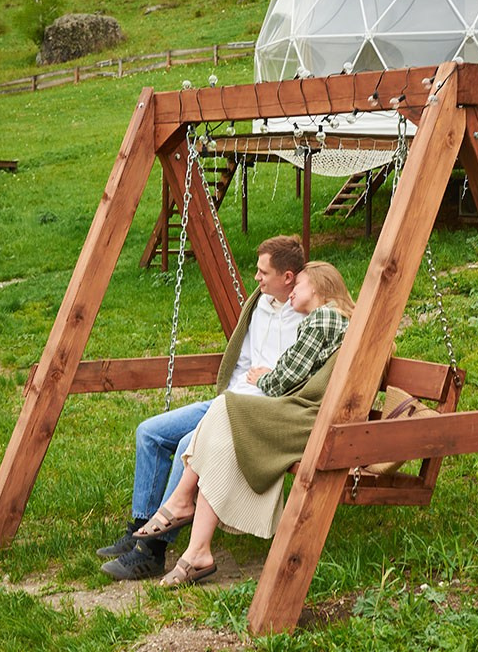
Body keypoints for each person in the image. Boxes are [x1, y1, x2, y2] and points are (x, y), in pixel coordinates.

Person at [133, 261, 355, 587]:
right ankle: (197, 550)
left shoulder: (323, 317)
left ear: (320, 289)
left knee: (225, 412)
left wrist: (264, 377)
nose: (293, 292)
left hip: (305, 417)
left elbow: (285, 379)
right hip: (311, 414)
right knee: (223, 434)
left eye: (300, 285)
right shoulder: (335, 320)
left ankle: (182, 504)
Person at [98, 235, 306, 580]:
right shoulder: (260, 305)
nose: (256, 278)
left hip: (258, 411)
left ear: (288, 277)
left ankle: (153, 551)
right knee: (149, 432)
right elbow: (243, 363)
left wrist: (265, 381)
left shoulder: (306, 317)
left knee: (186, 447)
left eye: (263, 272)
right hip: (231, 398)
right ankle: (140, 526)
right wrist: (233, 391)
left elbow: (295, 378)